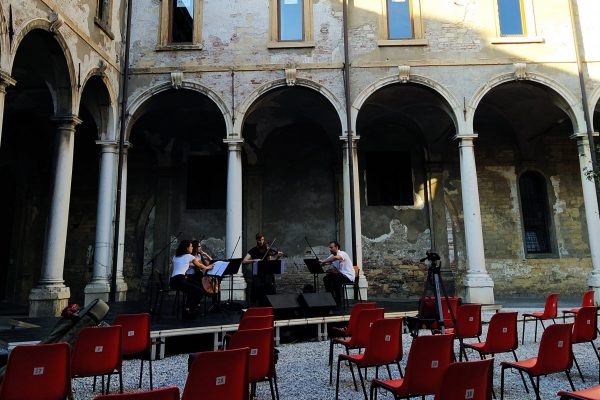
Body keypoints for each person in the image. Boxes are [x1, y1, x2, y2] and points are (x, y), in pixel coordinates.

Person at [171, 240, 213, 318]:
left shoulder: (175, 256)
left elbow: (178, 268)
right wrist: (208, 267)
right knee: (199, 291)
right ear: (187, 248)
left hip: (173, 281)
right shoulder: (189, 256)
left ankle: (188, 309)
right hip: (180, 280)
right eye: (191, 246)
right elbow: (199, 265)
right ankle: (191, 310)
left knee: (193, 290)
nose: (192, 248)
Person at [242, 233, 283, 305]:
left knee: (268, 295)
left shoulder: (267, 250)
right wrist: (254, 260)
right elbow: (244, 261)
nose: (261, 242)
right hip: (258, 277)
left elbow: (271, 264)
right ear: (256, 240)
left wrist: (278, 257)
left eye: (263, 240)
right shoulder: (253, 250)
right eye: (259, 240)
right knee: (258, 296)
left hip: (267, 276)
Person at [320, 241, 355, 307]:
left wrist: (324, 261)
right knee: (326, 278)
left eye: (331, 247)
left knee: (335, 279)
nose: (330, 249)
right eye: (329, 248)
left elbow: (335, 258)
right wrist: (321, 263)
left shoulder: (342, 253)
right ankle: (331, 299)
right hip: (340, 276)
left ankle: (338, 302)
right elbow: (325, 262)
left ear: (336, 247)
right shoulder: (331, 256)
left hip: (348, 277)